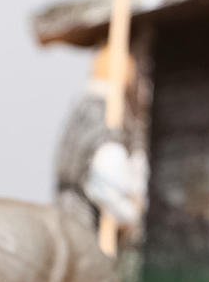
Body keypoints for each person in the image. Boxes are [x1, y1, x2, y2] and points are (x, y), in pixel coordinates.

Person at [53, 45, 148, 237]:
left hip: (70, 219)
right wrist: (136, 214)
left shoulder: (85, 107)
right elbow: (109, 179)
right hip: (82, 226)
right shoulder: (100, 111)